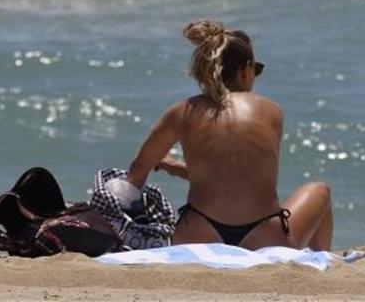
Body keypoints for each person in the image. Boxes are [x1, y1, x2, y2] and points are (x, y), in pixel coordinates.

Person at [124, 19, 333, 251]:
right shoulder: (271, 110)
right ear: (245, 71)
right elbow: (243, 175)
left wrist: (170, 167)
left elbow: (137, 173)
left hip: (198, 231)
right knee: (320, 190)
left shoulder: (182, 111)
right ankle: (320, 261)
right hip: (264, 235)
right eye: (257, 69)